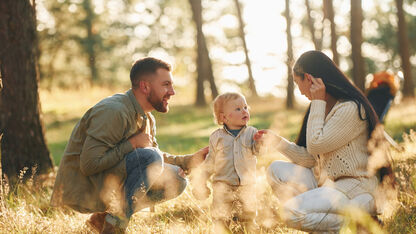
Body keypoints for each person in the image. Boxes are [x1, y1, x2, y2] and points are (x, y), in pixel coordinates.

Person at [50, 57, 208, 233]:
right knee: (151, 158)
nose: (172, 92)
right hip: (84, 189)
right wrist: (131, 144)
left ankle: (103, 220)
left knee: (177, 179)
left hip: (110, 180)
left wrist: (188, 161)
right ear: (145, 86)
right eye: (166, 84)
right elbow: (89, 165)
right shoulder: (114, 111)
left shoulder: (147, 117)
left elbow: (150, 159)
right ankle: (115, 226)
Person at [258, 50, 380, 232]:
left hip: (355, 190)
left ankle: (356, 224)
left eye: (297, 82)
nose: (299, 90)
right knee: (275, 170)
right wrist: (277, 142)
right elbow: (311, 157)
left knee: (289, 212)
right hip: (329, 185)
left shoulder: (350, 108)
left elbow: (316, 144)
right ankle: (324, 222)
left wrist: (317, 102)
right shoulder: (323, 107)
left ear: (308, 79)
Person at [191, 92, 260, 232]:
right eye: (238, 109)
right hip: (222, 186)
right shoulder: (217, 137)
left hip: (247, 185)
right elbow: (210, 162)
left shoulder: (252, 133)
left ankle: (249, 229)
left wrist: (261, 143)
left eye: (246, 107)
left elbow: (258, 151)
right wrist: (201, 181)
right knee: (220, 217)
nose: (244, 111)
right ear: (223, 117)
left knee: (249, 216)